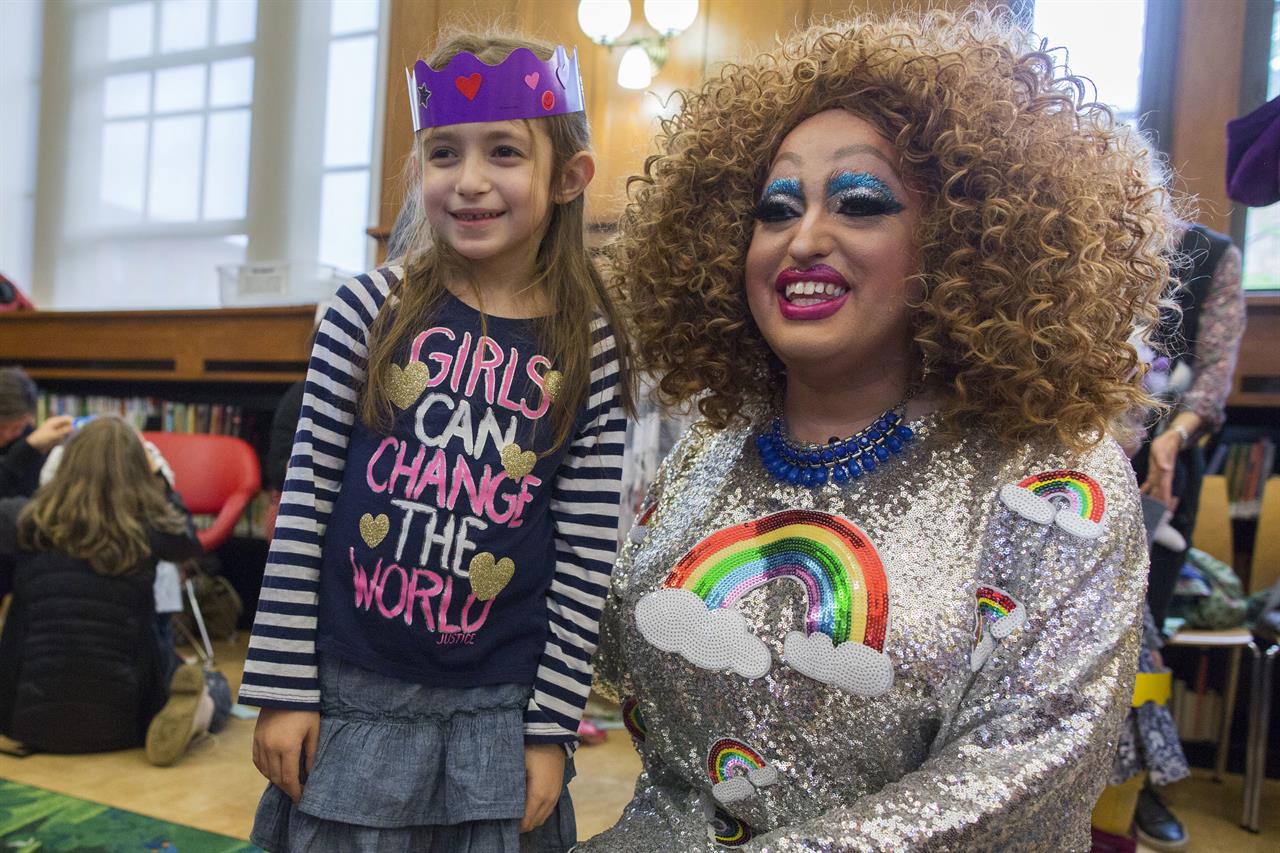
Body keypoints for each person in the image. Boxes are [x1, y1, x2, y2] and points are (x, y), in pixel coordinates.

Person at [580, 8, 1176, 851]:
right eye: (776, 208)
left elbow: (1021, 776)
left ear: (962, 240)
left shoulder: (1055, 485)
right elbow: (613, 664)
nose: (804, 239)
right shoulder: (713, 449)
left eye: (859, 203)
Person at [238, 30, 629, 853]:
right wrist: (283, 688)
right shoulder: (364, 311)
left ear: (568, 176)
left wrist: (551, 729)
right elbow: (304, 501)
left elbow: (584, 557)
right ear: (420, 168)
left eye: (505, 153)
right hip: (352, 700)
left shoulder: (585, 343)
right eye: (445, 153)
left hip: (496, 714)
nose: (471, 180)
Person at [0, 416, 228, 765]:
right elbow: (188, 540)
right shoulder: (149, 529)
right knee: (215, 685)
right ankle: (196, 712)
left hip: (25, 721)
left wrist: (27, 450)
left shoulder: (25, 521)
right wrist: (159, 478)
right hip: (125, 724)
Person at [0, 367, 72, 498]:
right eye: (2, 428)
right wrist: (25, 450)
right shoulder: (27, 447)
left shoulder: (30, 439)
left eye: (17, 427)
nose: (9, 434)